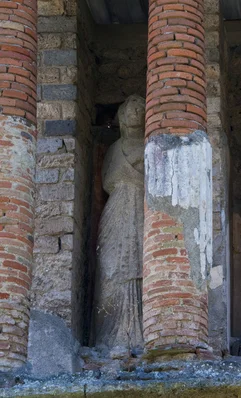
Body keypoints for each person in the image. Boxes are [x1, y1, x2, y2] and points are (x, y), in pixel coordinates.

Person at [95, 95, 145, 351]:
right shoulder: (115, 148)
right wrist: (132, 171)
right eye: (130, 110)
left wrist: (133, 172)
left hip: (141, 208)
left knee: (139, 266)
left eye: (140, 109)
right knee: (111, 268)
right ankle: (108, 335)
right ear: (122, 116)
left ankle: (138, 334)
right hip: (117, 208)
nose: (134, 113)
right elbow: (107, 180)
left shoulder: (150, 146)